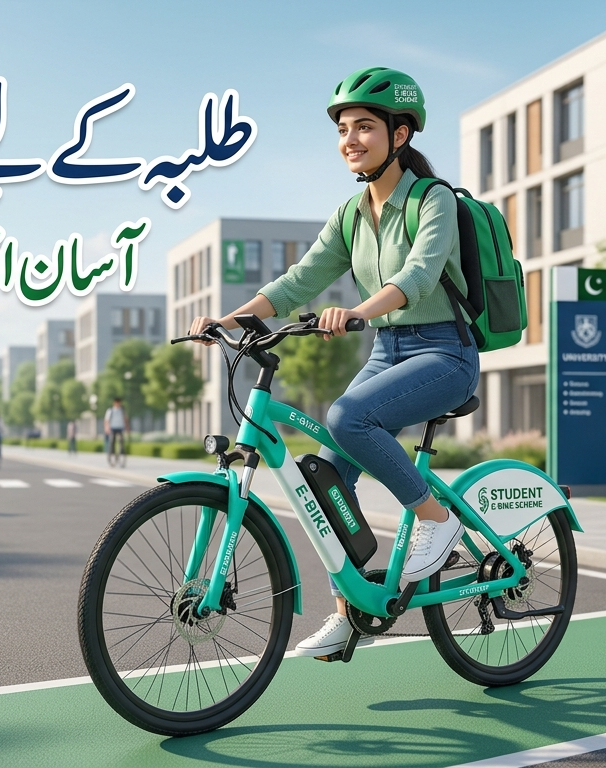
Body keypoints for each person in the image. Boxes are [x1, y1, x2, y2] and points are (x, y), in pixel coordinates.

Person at [187, 66, 478, 658]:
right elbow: (298, 282)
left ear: (400, 135)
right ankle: (350, 612)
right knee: (325, 483)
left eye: (365, 126)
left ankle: (435, 519)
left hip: (445, 351)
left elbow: (417, 276)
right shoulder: (351, 214)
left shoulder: (433, 200)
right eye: (344, 128)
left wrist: (357, 310)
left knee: (347, 417)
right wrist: (230, 318)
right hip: (386, 352)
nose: (350, 138)